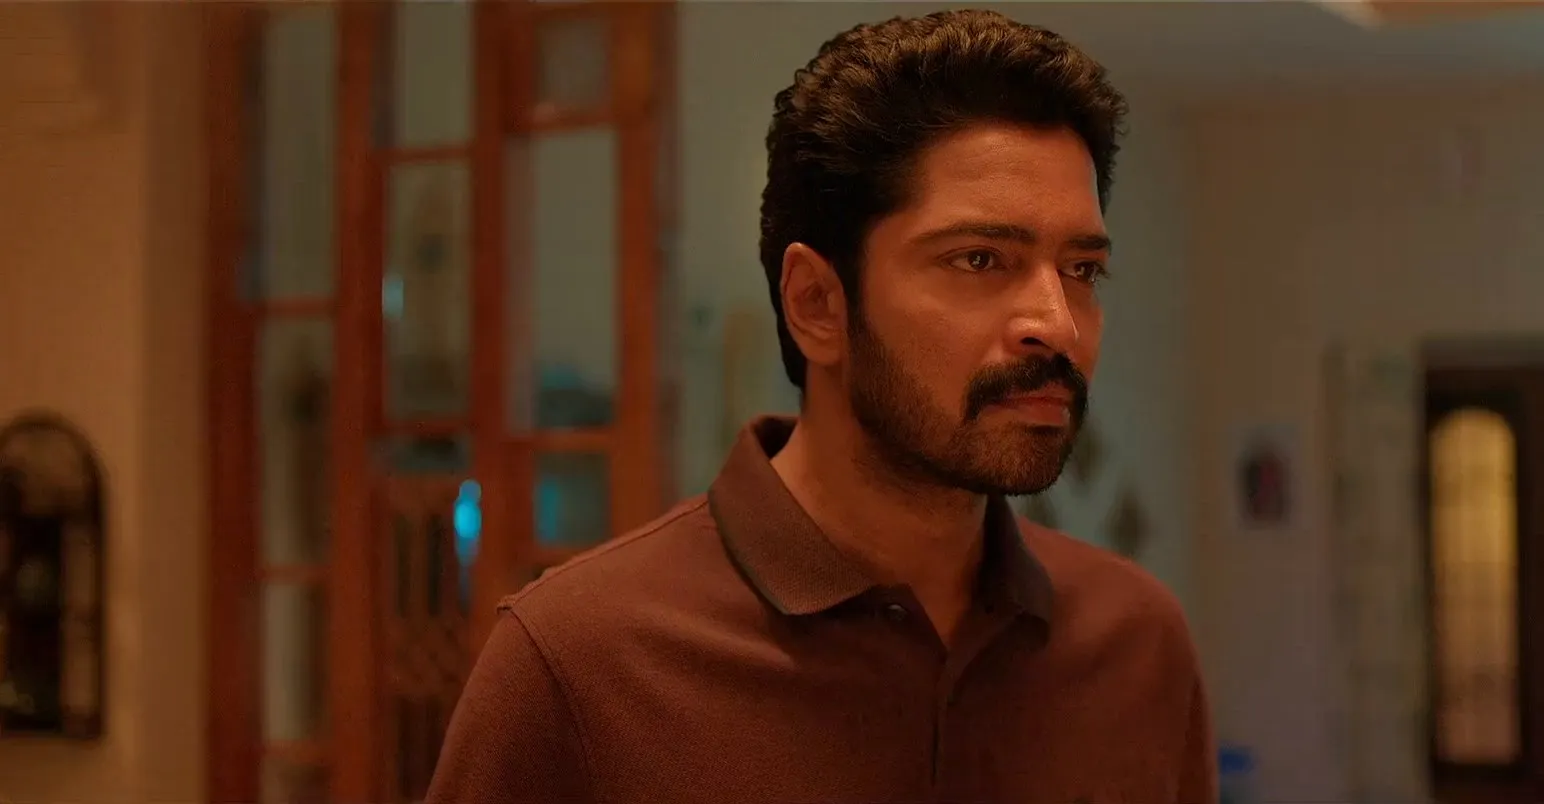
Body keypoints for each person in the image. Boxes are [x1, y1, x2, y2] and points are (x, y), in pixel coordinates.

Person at [426, 9, 1215, 803]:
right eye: (980, 260)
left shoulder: (1135, 644)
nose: (1058, 324)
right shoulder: (579, 665)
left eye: (1081, 270)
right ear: (817, 304)